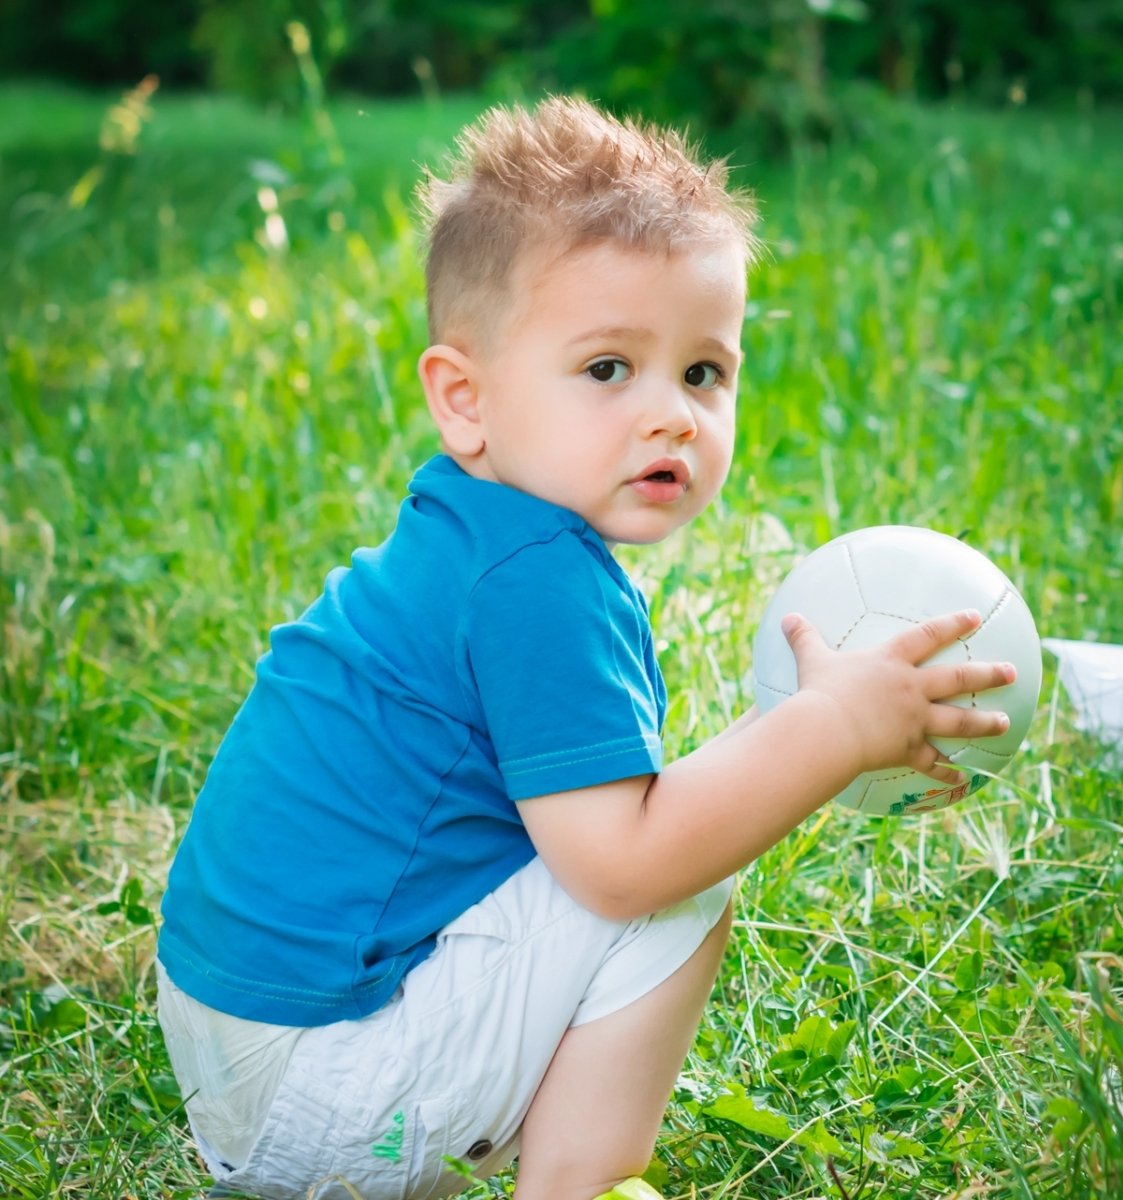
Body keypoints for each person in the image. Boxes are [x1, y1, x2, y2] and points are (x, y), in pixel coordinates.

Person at [156, 96, 1016, 1200]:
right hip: (322, 1091)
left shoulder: (468, 532)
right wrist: (832, 727)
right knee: (677, 895)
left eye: (705, 373)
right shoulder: (534, 583)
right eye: (609, 369)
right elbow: (626, 864)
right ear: (464, 399)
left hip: (242, 1047)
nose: (672, 416)